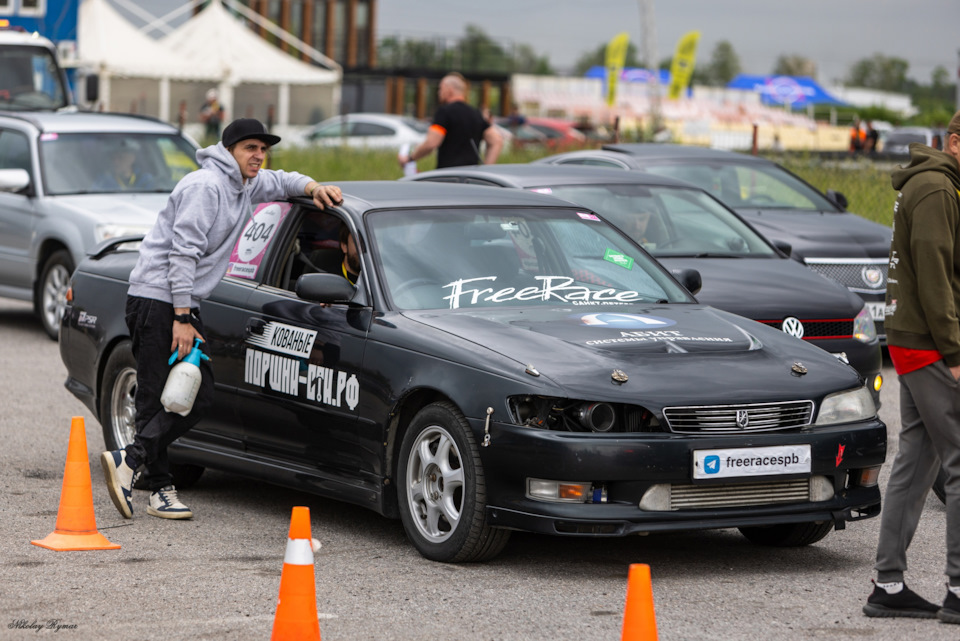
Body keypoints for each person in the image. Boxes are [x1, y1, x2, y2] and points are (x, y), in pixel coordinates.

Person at [100, 118, 342, 521]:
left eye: (263, 149)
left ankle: (145, 474)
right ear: (229, 150)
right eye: (250, 148)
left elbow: (282, 182)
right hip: (159, 300)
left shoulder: (246, 184)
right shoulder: (205, 187)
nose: (259, 156)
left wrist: (313, 187)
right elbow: (183, 254)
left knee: (181, 394)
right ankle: (145, 471)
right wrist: (181, 315)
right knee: (177, 394)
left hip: (180, 303)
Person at [863, 109, 960, 622]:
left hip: (915, 340)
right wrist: (955, 352)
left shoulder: (935, 186)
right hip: (929, 343)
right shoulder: (938, 189)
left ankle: (889, 583)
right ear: (955, 142)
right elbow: (935, 277)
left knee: (918, 456)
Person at [399, 73, 502, 169]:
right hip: (471, 178)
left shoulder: (444, 112)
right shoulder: (476, 114)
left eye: (440, 89)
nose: (439, 93)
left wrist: (410, 158)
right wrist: (485, 169)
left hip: (448, 176)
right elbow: (496, 140)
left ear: (450, 90)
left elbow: (431, 143)